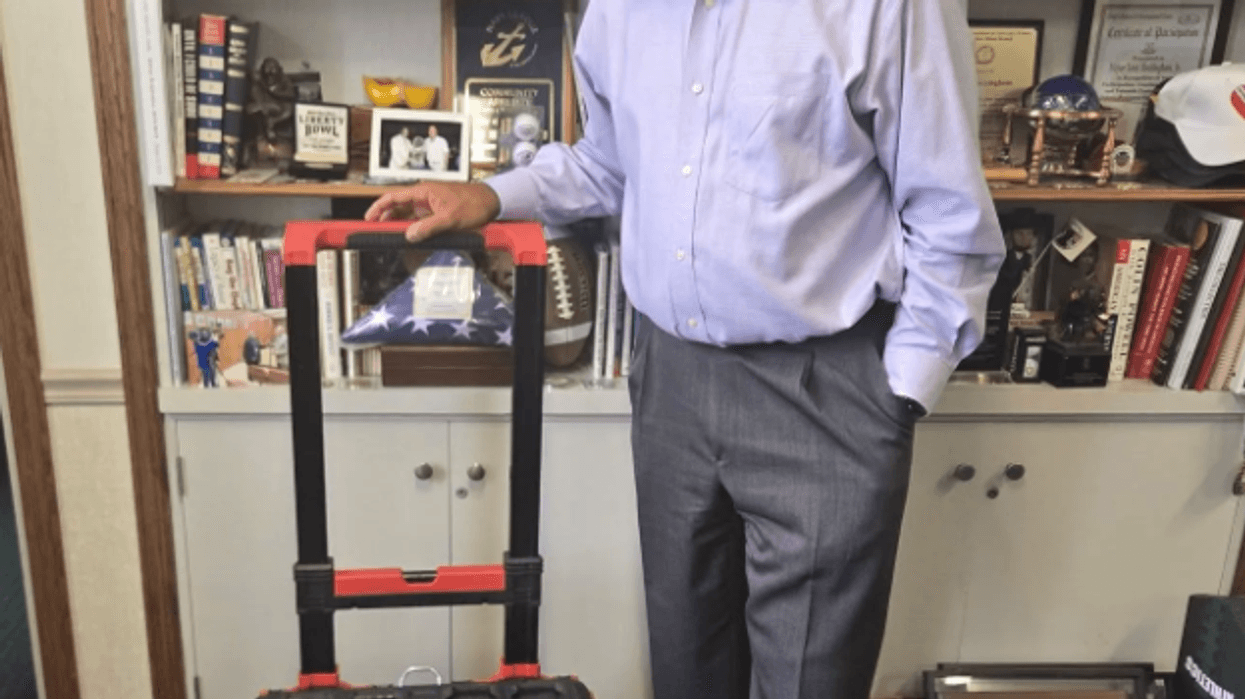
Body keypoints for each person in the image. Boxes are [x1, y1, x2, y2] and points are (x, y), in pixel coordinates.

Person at [364, 1, 1005, 697]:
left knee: (809, 680)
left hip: (827, 389)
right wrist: (489, 194)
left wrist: (900, 391)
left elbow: (947, 209)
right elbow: (608, 161)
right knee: (684, 662)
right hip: (670, 379)